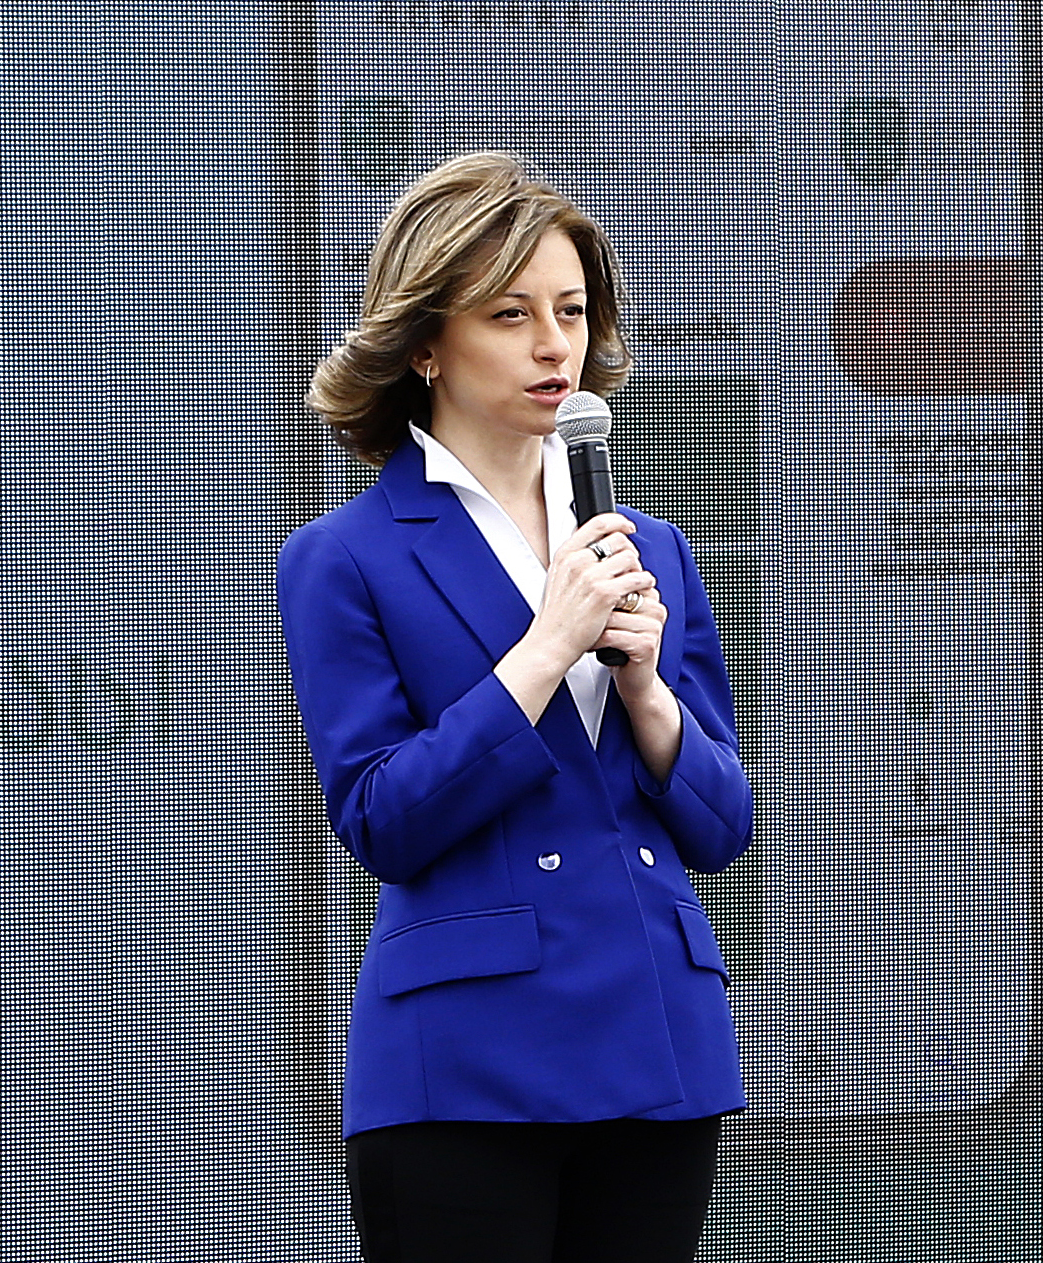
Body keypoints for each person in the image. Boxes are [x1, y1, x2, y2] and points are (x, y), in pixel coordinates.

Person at [277, 152, 752, 1263]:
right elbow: (383, 820)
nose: (555, 345)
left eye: (572, 311)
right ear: (425, 343)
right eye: (511, 314)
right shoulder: (343, 556)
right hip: (463, 1061)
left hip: (657, 1040)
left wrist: (645, 690)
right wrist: (544, 651)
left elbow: (723, 826)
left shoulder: (650, 547)